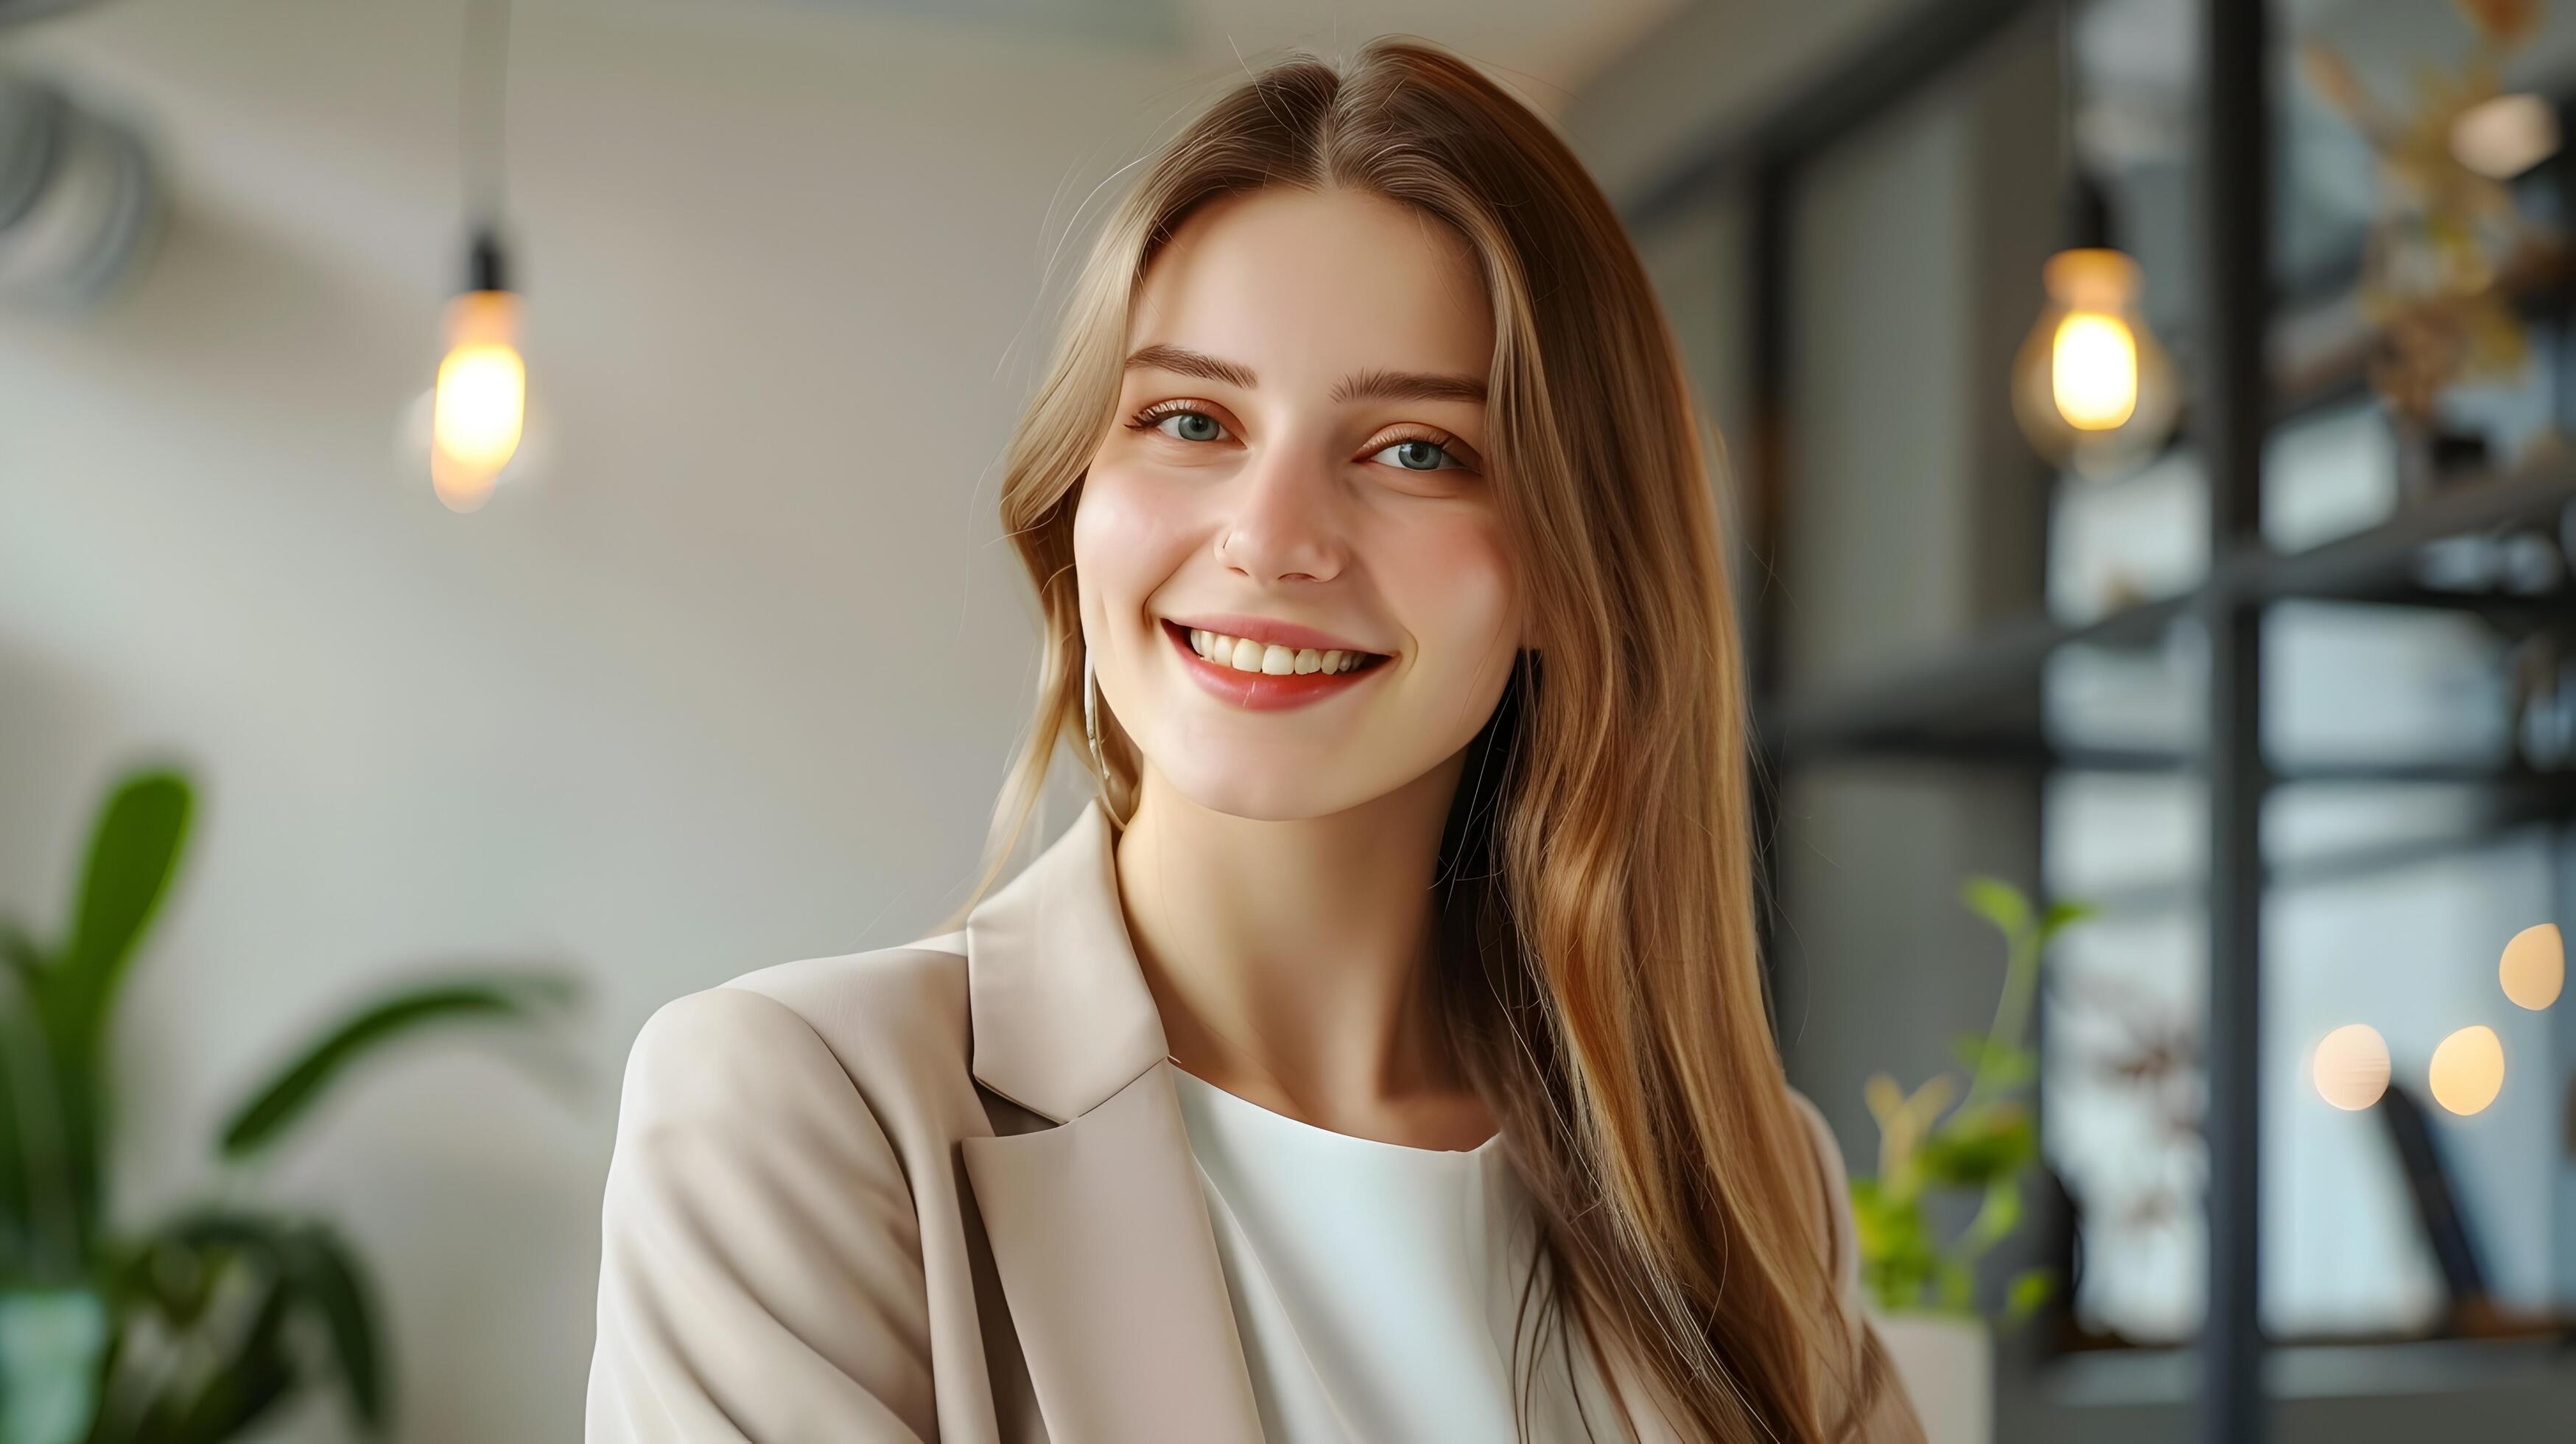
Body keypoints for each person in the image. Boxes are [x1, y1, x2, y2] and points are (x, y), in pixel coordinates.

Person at [587, 38, 1924, 1444]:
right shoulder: (801, 1109)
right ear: (1077, 494)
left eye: (1417, 448)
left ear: (1566, 566)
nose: (1271, 539)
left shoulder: (1750, 1185)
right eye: (1188, 420)